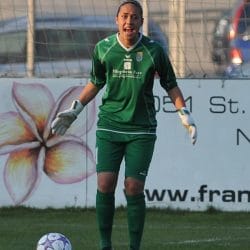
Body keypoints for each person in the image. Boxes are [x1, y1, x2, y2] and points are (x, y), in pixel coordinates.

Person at [51, 1, 197, 249]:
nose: (129, 21)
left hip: (141, 129)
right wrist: (75, 109)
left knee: (133, 186)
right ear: (117, 20)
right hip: (109, 126)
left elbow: (170, 84)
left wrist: (183, 112)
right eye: (125, 16)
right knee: (105, 183)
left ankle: (134, 247)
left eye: (135, 17)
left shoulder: (154, 51)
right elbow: (96, 82)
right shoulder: (104, 49)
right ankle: (105, 244)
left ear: (141, 21)